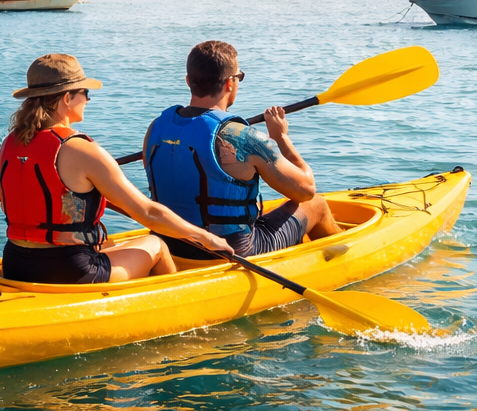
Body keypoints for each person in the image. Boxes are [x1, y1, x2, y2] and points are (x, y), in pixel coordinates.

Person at [0, 54, 232, 284]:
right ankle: (176, 301)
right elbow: (149, 213)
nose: (87, 100)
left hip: (15, 264)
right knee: (157, 245)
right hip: (70, 271)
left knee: (109, 244)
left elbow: (12, 205)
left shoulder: (9, 143)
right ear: (67, 98)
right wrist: (206, 238)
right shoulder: (82, 150)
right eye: (85, 93)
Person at [142, 41, 341, 265]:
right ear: (230, 82)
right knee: (316, 205)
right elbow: (305, 190)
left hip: (168, 244)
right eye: (239, 77)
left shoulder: (156, 128)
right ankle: (341, 262)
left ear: (189, 81)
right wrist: (281, 138)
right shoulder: (242, 137)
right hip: (231, 252)